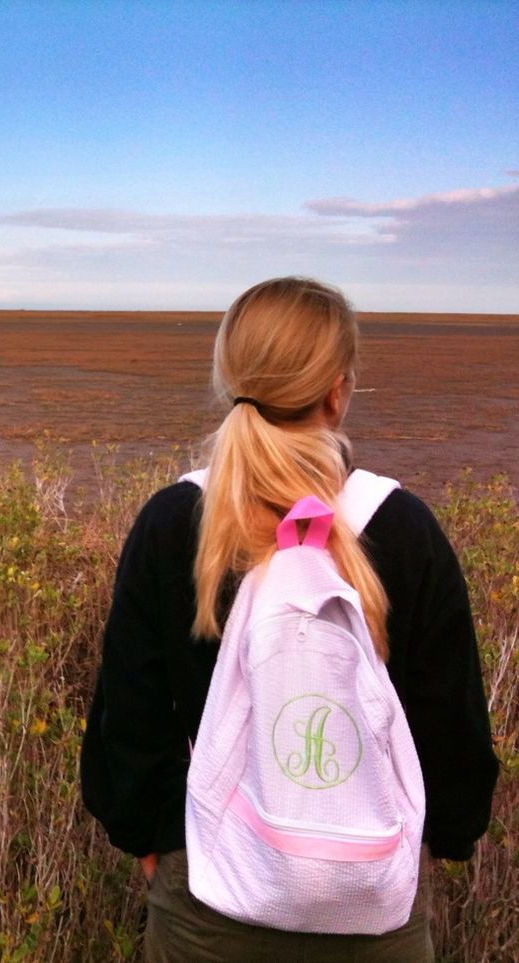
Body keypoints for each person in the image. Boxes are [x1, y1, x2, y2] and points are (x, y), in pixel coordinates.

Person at [79, 277, 498, 961]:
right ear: (338, 389)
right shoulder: (402, 527)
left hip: (208, 908)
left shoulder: (173, 521)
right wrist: (440, 838)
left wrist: (157, 846)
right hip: (373, 914)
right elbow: (449, 724)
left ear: (228, 381)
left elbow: (130, 717)